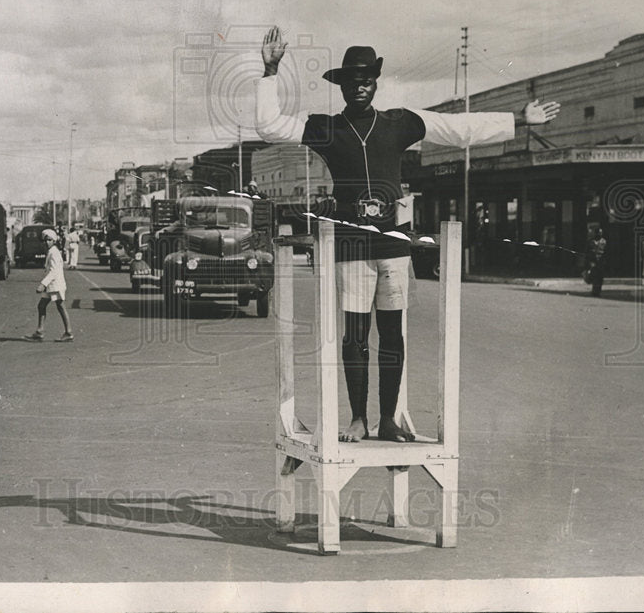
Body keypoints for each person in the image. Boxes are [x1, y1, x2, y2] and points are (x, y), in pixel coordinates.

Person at [255, 26, 560, 442]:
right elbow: (270, 126)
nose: (359, 87)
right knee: (355, 335)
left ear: (375, 83)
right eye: (351, 81)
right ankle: (358, 419)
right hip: (351, 246)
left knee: (393, 333)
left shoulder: (399, 123)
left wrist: (518, 121)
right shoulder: (328, 128)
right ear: (342, 86)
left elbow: (457, 128)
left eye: (366, 79)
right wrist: (270, 71)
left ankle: (388, 419)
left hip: (393, 244)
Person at [23, 228, 74, 342]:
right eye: (45, 240)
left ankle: (68, 332)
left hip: (55, 284)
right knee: (41, 306)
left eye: (49, 240)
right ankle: (40, 331)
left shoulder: (54, 252)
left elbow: (54, 271)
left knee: (60, 306)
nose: (47, 242)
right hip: (50, 285)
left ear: (54, 241)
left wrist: (42, 284)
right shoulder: (51, 251)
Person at [586, 227, 607, 297]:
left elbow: (606, 252)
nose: (600, 234)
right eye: (599, 232)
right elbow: (587, 252)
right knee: (594, 276)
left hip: (601, 262)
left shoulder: (604, 241)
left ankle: (598, 291)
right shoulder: (591, 241)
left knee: (600, 277)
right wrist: (588, 262)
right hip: (593, 261)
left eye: (601, 233)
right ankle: (594, 291)